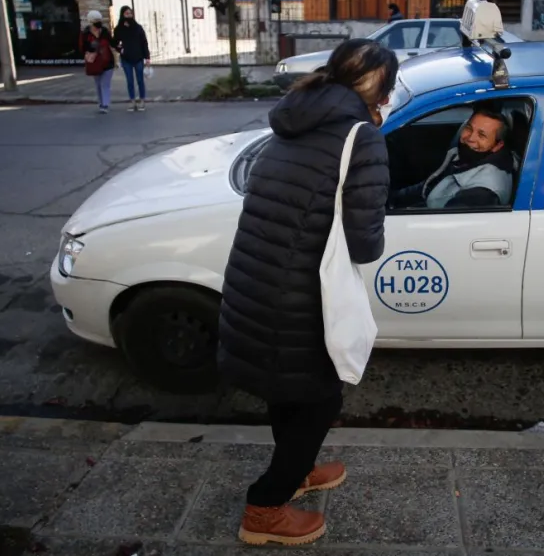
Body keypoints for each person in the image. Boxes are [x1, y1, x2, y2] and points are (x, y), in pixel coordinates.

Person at [218, 38, 398, 547]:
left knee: (286, 388)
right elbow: (364, 245)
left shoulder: (296, 118)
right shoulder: (359, 137)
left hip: (256, 278)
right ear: (378, 90)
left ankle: (295, 472)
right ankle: (265, 508)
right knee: (320, 397)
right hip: (300, 294)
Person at [392, 110, 514, 209]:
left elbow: (444, 225)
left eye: (482, 135)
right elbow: (429, 186)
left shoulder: (482, 192)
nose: (470, 138)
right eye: (469, 128)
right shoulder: (465, 156)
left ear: (498, 146)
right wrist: (390, 198)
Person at [113, 5, 151, 111]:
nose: (129, 15)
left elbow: (144, 42)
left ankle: (142, 100)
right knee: (130, 81)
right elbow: (115, 42)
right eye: (126, 13)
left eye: (130, 13)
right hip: (126, 59)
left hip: (138, 58)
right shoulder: (119, 29)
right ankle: (132, 101)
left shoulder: (138, 28)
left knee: (140, 80)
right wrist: (120, 49)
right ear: (122, 15)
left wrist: (147, 57)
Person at [78, 10, 115, 114]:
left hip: (107, 61)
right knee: (98, 84)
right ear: (90, 21)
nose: (98, 23)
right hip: (95, 62)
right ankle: (101, 103)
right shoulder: (85, 34)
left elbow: (112, 43)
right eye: (95, 21)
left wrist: (120, 48)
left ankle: (105, 104)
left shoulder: (104, 32)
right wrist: (91, 50)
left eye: (99, 20)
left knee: (105, 84)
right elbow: (82, 47)